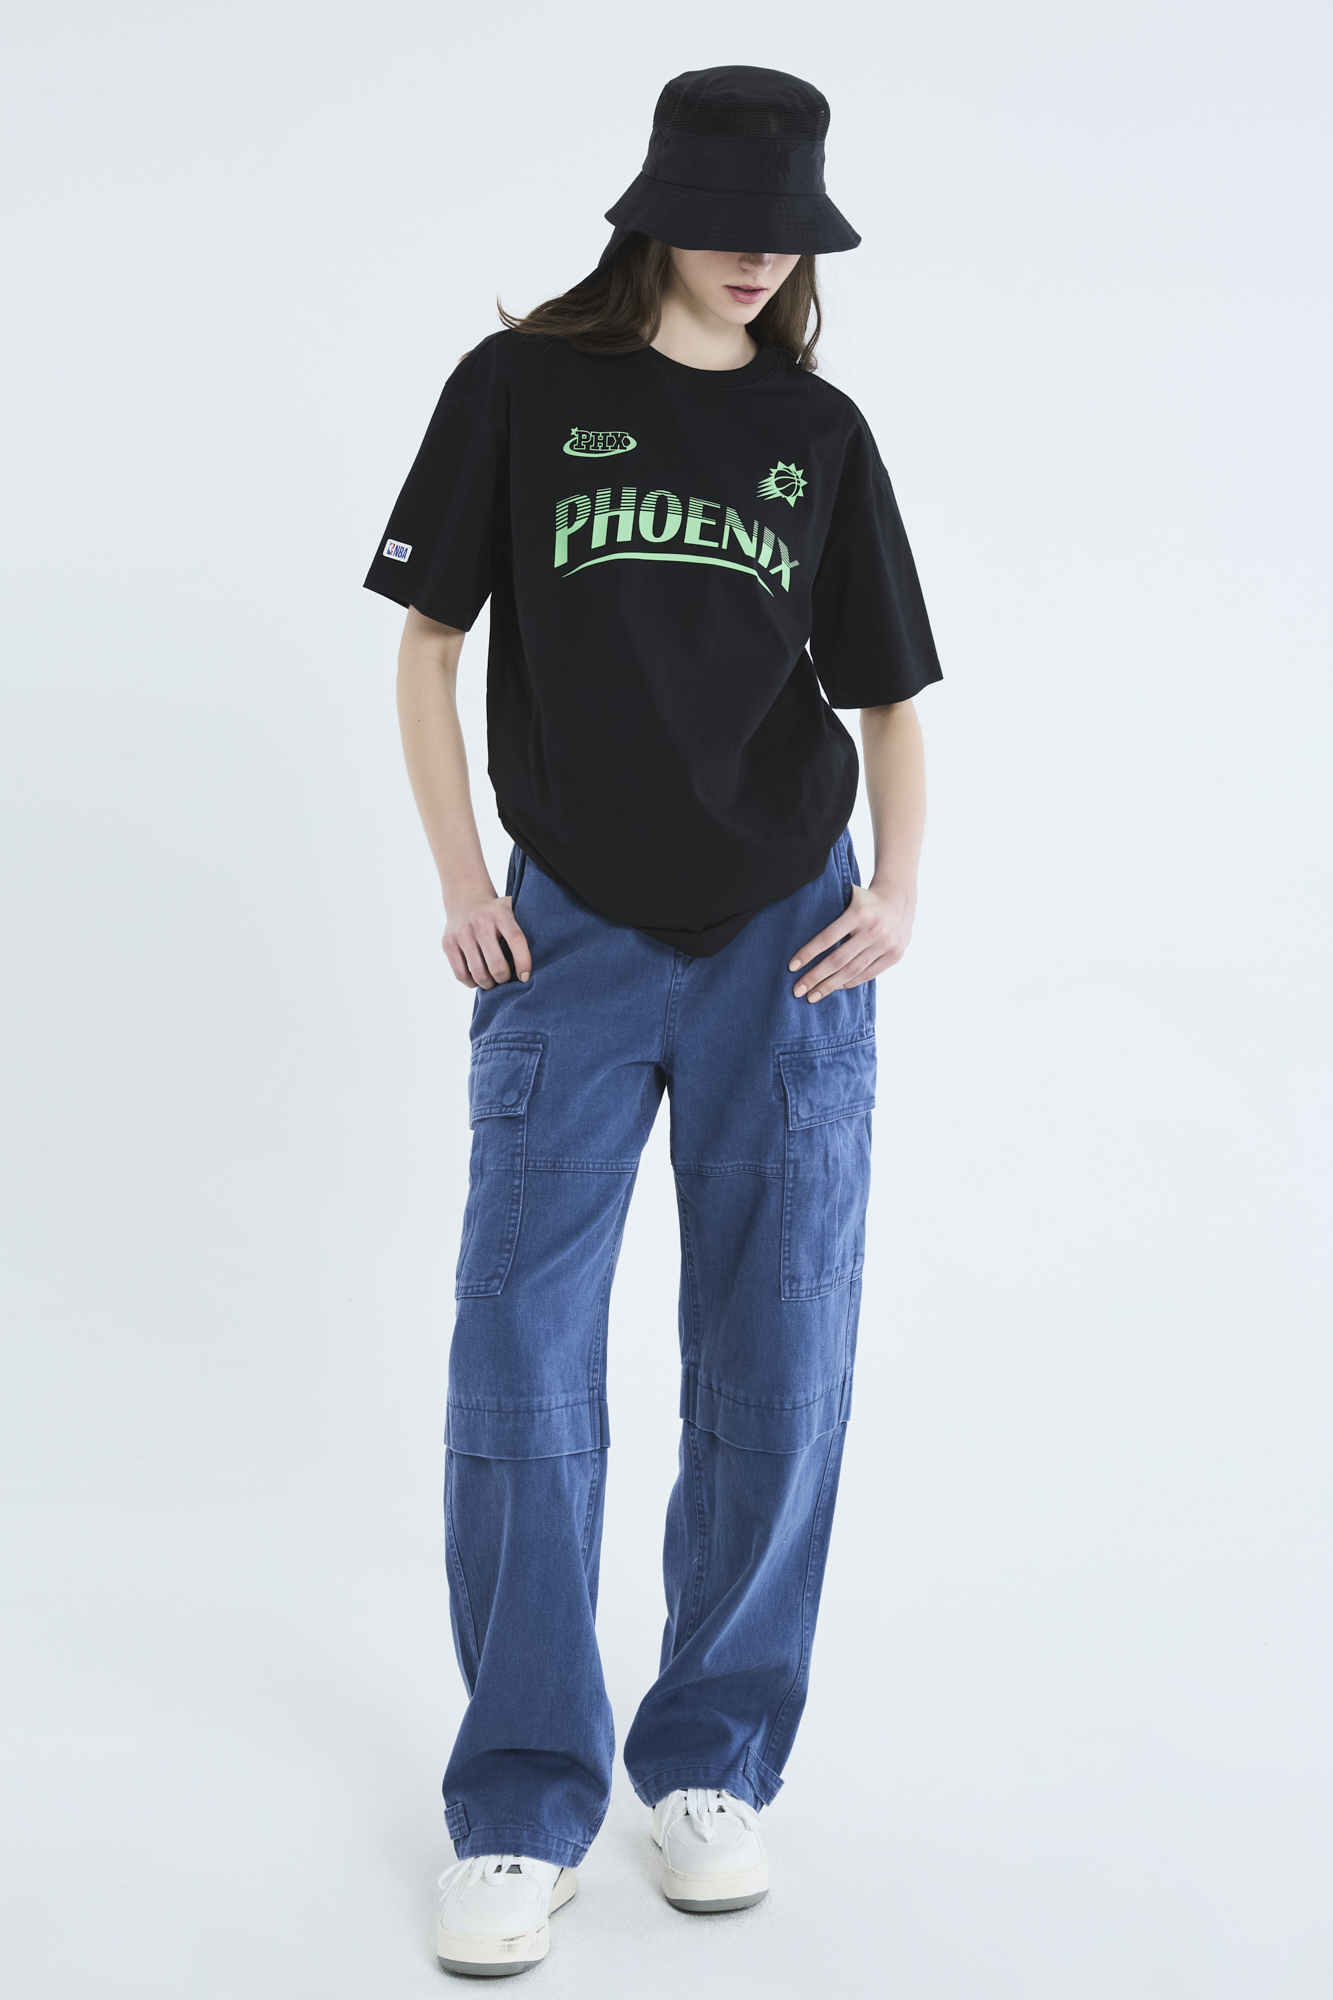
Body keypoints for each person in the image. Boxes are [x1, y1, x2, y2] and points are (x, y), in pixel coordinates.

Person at [364, 64, 942, 1979]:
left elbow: (886, 698)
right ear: (652, 210)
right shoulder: (521, 388)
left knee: (777, 1351)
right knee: (521, 1357)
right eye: (726, 218)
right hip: (571, 935)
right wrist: (466, 882)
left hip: (792, 937)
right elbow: (429, 646)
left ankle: (710, 1764)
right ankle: (521, 1798)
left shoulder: (818, 431)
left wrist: (897, 890)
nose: (759, 254)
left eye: (787, 228)